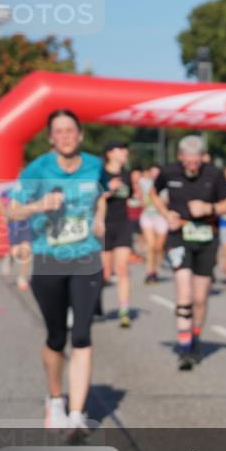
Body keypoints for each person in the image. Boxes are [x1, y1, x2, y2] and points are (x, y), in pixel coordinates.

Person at [4, 109, 106, 435]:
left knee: (82, 336)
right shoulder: (38, 169)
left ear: (80, 135)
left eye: (70, 130)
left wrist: (100, 217)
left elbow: (102, 194)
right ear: (51, 138)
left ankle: (77, 413)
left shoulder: (94, 165)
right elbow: (11, 210)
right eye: (58, 132)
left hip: (87, 259)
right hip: (49, 261)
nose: (65, 136)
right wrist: (38, 206)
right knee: (56, 336)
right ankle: (55, 399)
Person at [149, 135, 226, 371]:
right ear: (180, 156)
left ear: (203, 158)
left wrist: (210, 208)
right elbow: (153, 193)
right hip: (179, 236)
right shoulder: (169, 172)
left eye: (196, 161)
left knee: (200, 297)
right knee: (184, 291)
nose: (192, 165)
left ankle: (196, 336)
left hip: (206, 236)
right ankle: (184, 346)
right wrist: (166, 214)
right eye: (188, 161)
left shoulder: (214, 174)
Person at [99, 140, 135, 328]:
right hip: (103, 225)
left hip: (123, 224)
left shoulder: (127, 175)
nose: (125, 153)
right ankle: (95, 303)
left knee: (122, 269)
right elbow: (91, 197)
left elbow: (130, 198)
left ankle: (124, 310)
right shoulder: (100, 173)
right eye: (121, 150)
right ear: (110, 153)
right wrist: (108, 189)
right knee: (104, 273)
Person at [138, 165, 167, 283]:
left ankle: (156, 269)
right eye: (152, 172)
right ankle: (150, 272)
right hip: (148, 217)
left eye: (157, 173)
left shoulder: (166, 186)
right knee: (151, 245)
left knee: (158, 247)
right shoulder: (145, 183)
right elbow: (136, 180)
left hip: (161, 218)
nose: (154, 175)